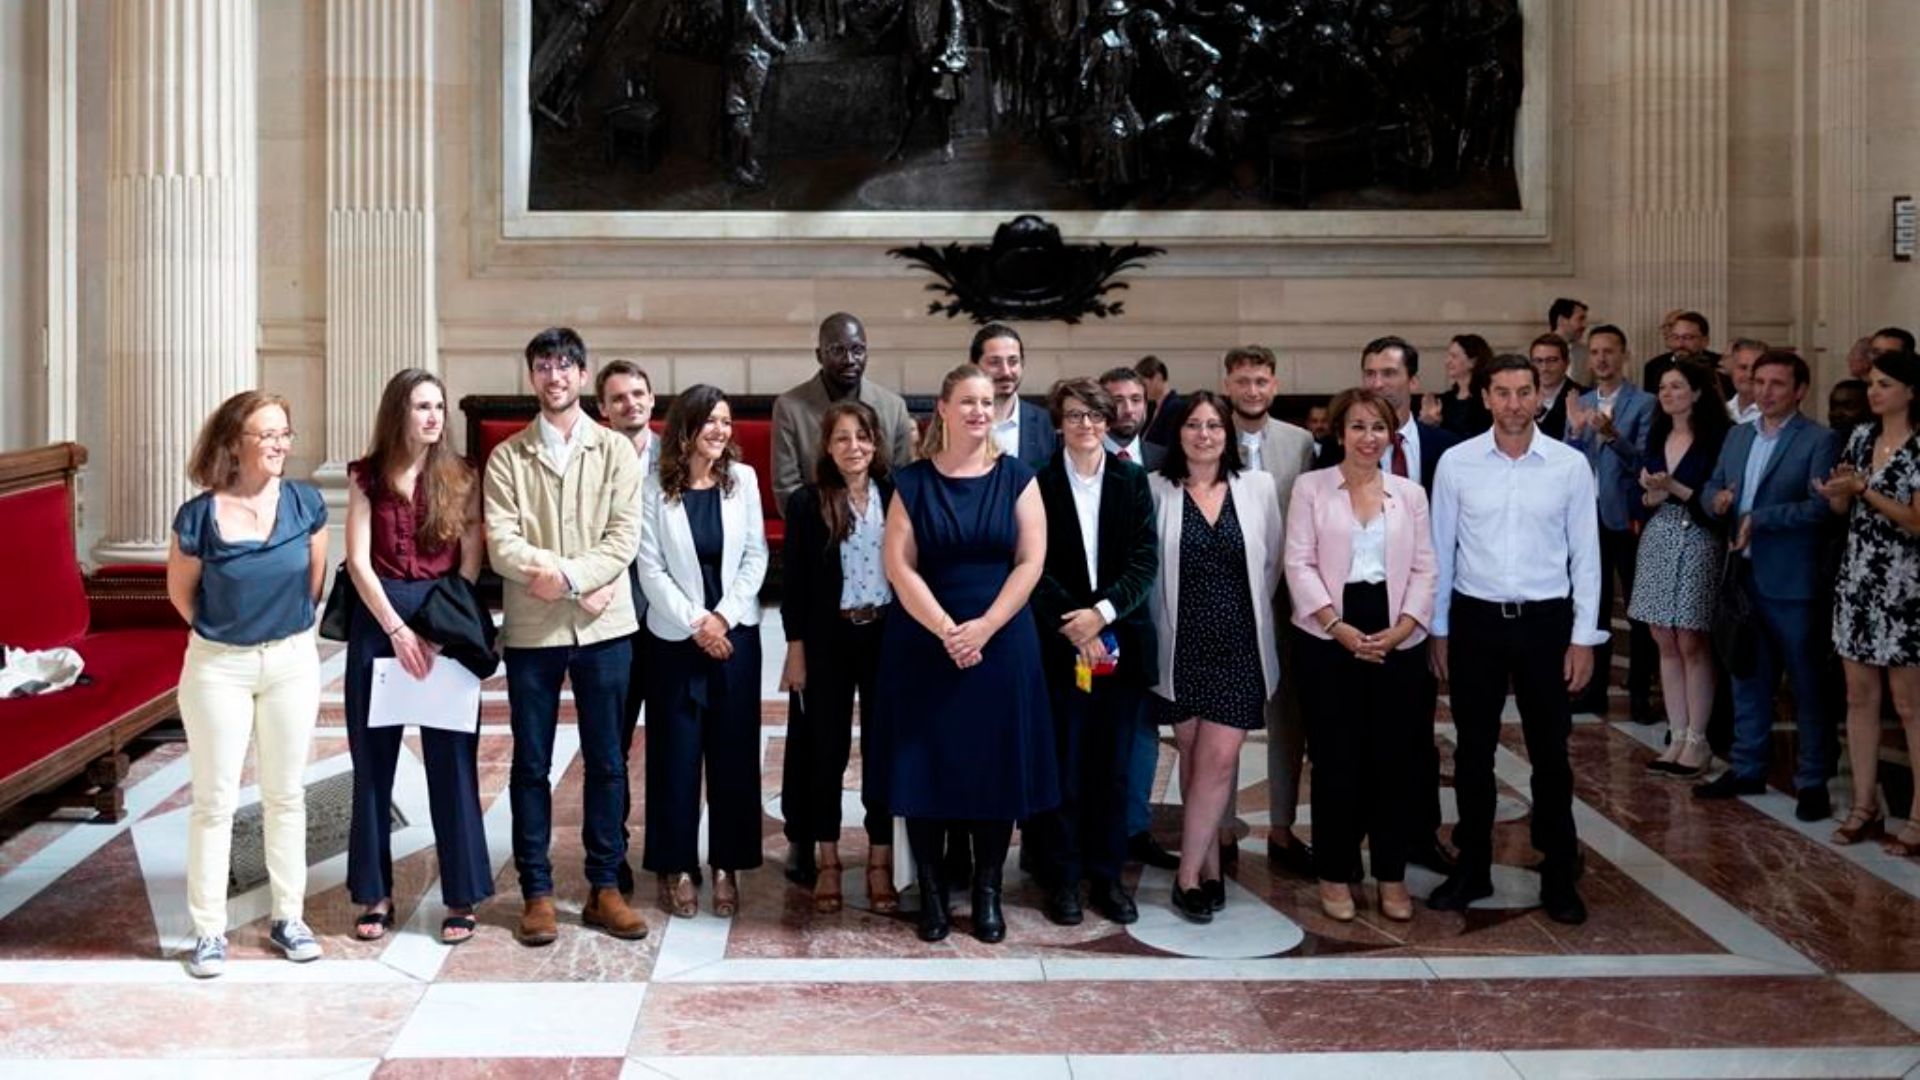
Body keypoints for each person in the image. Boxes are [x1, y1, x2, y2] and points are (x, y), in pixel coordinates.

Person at [876, 363, 1057, 944]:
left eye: (987, 402)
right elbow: (898, 565)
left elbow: (1030, 561)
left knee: (994, 771)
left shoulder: (1018, 478)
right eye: (968, 402)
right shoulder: (912, 482)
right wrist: (947, 628)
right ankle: (931, 896)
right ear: (945, 411)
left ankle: (986, 894)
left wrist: (983, 628)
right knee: (926, 770)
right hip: (925, 643)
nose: (980, 411)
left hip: (1001, 643)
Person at [485, 327, 649, 947]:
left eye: (565, 366)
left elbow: (623, 535)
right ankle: (538, 893)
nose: (555, 376)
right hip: (533, 630)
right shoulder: (507, 456)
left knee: (608, 763)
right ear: (532, 377)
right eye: (543, 366)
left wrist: (571, 581)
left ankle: (605, 887)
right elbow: (502, 543)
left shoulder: (615, 451)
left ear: (584, 377)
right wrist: (567, 580)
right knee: (531, 765)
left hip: (606, 630)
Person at [1429, 354, 1603, 926]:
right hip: (1477, 621)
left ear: (1537, 397)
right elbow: (1441, 550)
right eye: (1501, 393)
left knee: (1550, 754)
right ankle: (1472, 866)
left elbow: (1587, 556)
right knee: (1473, 752)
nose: (1513, 404)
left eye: (1523, 392)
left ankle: (1558, 872)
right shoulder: (1457, 464)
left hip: (1545, 622)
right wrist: (1441, 629)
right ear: (1485, 398)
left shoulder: (1569, 466)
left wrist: (1583, 639)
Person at [166, 390, 328, 977]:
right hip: (217, 667)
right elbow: (181, 595)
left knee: (287, 794)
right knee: (214, 800)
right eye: (267, 434)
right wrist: (227, 636)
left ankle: (289, 917)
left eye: (285, 432)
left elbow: (313, 586)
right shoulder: (198, 516)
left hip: (289, 661)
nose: (280, 443)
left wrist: (274, 636)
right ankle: (208, 930)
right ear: (236, 442)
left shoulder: (307, 504)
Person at [342, 370, 492, 946]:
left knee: (453, 764)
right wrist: (398, 629)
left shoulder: (461, 476)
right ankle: (373, 891)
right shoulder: (365, 476)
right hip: (378, 621)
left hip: (444, 621)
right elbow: (358, 562)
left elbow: (470, 560)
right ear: (397, 413)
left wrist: (436, 629)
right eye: (420, 406)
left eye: (438, 406)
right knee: (372, 767)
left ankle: (462, 893)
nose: (432, 416)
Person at [1286, 389, 1437, 924]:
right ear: (1338, 432)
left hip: (1396, 634)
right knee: (1336, 762)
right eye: (1357, 427)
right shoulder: (1311, 488)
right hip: (1328, 635)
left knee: (1393, 763)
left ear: (1391, 436)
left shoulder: (1411, 494)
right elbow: (1298, 562)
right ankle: (1335, 871)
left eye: (1378, 427)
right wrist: (1337, 626)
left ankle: (1391, 876)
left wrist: (1401, 630)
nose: (1368, 437)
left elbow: (1424, 567)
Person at [1318, 335, 1461, 873]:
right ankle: (1347, 846)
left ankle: (1415, 837)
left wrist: (1423, 622)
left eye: (1389, 373)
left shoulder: (1448, 447)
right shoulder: (1329, 457)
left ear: (1413, 381)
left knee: (1413, 736)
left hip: (1419, 615)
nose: (1378, 383)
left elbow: (1441, 547)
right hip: (1346, 617)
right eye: (1370, 372)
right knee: (1347, 741)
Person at [1146, 391, 1284, 923]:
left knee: (1219, 759)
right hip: (1178, 646)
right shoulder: (1156, 488)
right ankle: (1207, 864)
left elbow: (1269, 564)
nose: (1204, 434)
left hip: (1238, 645)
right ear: (1178, 433)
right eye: (1194, 425)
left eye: (1214, 426)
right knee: (1195, 756)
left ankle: (1187, 877)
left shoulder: (1258, 488)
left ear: (1228, 435)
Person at [1028, 379, 1159, 927]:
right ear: (1060, 421)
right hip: (1060, 647)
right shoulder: (1038, 482)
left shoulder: (1131, 481)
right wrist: (1075, 623)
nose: (1087, 426)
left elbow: (1144, 559)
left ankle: (1106, 876)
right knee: (1063, 764)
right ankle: (1061, 877)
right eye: (1077, 416)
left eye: (1097, 416)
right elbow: (1033, 564)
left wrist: (1102, 614)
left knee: (1112, 766)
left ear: (1109, 423)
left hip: (1119, 642)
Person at [638, 385, 770, 918]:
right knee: (675, 755)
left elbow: (756, 556)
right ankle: (675, 866)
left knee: (734, 753)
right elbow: (650, 568)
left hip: (735, 635)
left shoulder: (744, 481)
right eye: (709, 421)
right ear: (685, 429)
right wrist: (697, 622)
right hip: (674, 639)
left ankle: (727, 864)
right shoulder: (653, 487)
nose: (719, 430)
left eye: (725, 421)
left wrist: (723, 618)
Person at [1696, 350, 1837, 822]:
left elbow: (1821, 509)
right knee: (1746, 675)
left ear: (1799, 390)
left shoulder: (1819, 439)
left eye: (1778, 383)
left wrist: (1762, 518)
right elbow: (1712, 486)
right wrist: (1715, 501)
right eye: (1760, 382)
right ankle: (1748, 765)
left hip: (1793, 581)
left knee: (1805, 683)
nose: (1766, 391)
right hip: (1743, 576)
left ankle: (1813, 779)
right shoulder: (1738, 435)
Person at [779, 401, 899, 914]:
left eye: (863, 437)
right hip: (829, 638)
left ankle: (879, 861)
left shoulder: (897, 495)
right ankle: (828, 859)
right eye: (843, 438)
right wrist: (796, 650)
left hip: (886, 635)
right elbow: (796, 584)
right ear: (827, 446)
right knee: (824, 752)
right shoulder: (809, 502)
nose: (855, 447)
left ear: (876, 443)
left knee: (883, 752)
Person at [1817, 348, 1920, 855]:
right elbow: (1843, 507)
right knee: (1859, 698)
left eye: (1883, 384)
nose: (1873, 392)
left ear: (1910, 392)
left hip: (1906, 585)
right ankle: (1863, 803)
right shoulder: (1860, 437)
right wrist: (1837, 491)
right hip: (1858, 579)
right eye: (1872, 384)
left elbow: (1917, 520)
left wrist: (1864, 490)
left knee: (1908, 704)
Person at [1219, 345, 1316, 876]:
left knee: (1288, 718)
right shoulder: (1209, 434)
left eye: (1260, 381)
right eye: (1242, 381)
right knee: (1222, 718)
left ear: (1274, 385)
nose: (1251, 390)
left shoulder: (1300, 443)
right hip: (1226, 597)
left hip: (1286, 602)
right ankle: (1222, 828)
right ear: (1228, 384)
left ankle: (1281, 829)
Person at [1628, 360, 1734, 776]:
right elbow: (1647, 491)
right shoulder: (1658, 433)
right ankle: (1677, 732)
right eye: (1663, 388)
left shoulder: (1717, 438)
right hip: (1661, 534)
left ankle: (1699, 737)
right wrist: (1651, 494)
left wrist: (1671, 488)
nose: (1667, 393)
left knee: (1691, 637)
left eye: (1676, 386)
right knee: (1662, 636)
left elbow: (1713, 496)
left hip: (1699, 537)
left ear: (1698, 392)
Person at [1563, 325, 1658, 721]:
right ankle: (1591, 688)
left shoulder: (1645, 402)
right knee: (1592, 606)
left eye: (1609, 351)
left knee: (1638, 610)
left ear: (1624, 355)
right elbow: (1569, 464)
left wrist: (1612, 434)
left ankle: (1639, 691)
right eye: (1595, 352)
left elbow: (1645, 461)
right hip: (1588, 519)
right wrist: (1574, 430)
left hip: (1627, 516)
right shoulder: (1580, 400)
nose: (1601, 359)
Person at [596, 358, 658, 895]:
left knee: (671, 745)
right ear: (603, 409)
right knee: (612, 748)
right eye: (618, 398)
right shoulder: (592, 458)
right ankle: (610, 853)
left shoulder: (676, 457)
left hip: (667, 624)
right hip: (611, 622)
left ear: (653, 400)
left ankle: (665, 849)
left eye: (637, 394)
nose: (630, 404)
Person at [770, 312, 919, 516]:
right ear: (819, 355)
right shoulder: (789, 407)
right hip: (815, 529)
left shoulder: (893, 407)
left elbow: (903, 484)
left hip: (881, 527)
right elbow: (786, 488)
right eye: (837, 351)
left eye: (857, 350)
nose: (850, 360)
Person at [974, 323, 1059, 468]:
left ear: (1022, 364)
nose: (1006, 372)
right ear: (974, 366)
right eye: (995, 362)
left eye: (1013, 362)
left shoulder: (1048, 424)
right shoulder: (955, 422)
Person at [1426, 333, 1495, 438]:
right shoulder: (1445, 400)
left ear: (1472, 362)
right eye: (1448, 356)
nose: (1447, 361)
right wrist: (1429, 423)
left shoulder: (1486, 399)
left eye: (1454, 356)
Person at [1100, 366, 1167, 470]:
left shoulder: (1165, 460)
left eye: (1136, 400)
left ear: (1145, 406)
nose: (1128, 410)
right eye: (1118, 400)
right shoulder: (1078, 458)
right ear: (1101, 406)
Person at [1642, 310, 1723, 395]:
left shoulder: (1719, 365)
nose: (1680, 344)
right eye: (1676, 337)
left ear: (1705, 341)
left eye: (1687, 337)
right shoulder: (1654, 367)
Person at [1529, 333, 1586, 441]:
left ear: (1567, 363)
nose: (1544, 368)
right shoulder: (1521, 397)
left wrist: (1540, 414)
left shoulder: (1584, 396)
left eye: (1552, 360)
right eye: (1538, 361)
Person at [1137, 354, 1183, 448]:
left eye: (1144, 383)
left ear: (1158, 378)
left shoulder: (1176, 407)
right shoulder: (1152, 408)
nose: (1141, 389)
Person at [1722, 338, 1767, 425]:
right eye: (1743, 367)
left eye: (1755, 368)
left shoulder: (1773, 415)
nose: (1749, 375)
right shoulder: (1720, 411)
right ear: (1732, 370)